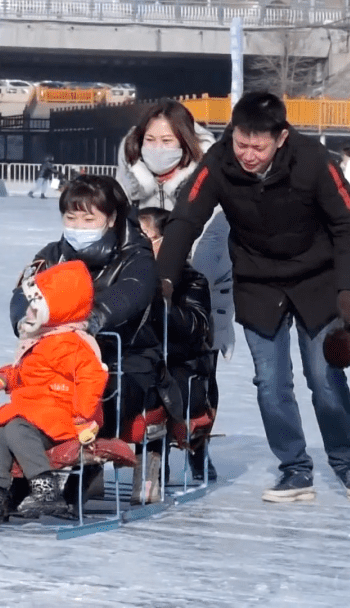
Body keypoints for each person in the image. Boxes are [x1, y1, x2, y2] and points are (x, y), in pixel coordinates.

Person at [156, 91, 350, 504]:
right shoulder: (220, 161)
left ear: (281, 137)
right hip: (259, 282)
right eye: (241, 143)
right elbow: (187, 215)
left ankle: (347, 462)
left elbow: (347, 223)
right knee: (271, 384)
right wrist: (164, 277)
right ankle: (294, 469)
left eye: (258, 146)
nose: (248, 154)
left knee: (325, 379)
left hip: (317, 279)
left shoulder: (314, 161)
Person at [9, 175, 162, 504]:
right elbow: (24, 293)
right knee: (29, 394)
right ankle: (20, 480)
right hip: (61, 361)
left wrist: (91, 320)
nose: (78, 225)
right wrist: (26, 319)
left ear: (110, 219)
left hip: (125, 362)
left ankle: (76, 479)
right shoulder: (52, 255)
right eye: (71, 217)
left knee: (92, 396)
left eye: (89, 218)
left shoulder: (136, 257)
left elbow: (131, 293)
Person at [115, 99, 236, 425]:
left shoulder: (210, 176)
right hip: (141, 287)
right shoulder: (129, 177)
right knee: (140, 366)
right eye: (150, 140)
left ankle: (199, 443)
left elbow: (219, 241)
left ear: (185, 142)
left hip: (197, 286)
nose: (157, 148)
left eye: (167, 141)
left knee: (198, 370)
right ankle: (152, 446)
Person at [0, 260, 109, 525]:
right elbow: (26, 373)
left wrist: (82, 416)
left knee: (17, 428)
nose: (27, 312)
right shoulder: (40, 339)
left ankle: (45, 489)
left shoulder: (72, 344)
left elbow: (92, 378)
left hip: (62, 415)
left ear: (57, 310)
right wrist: (3, 379)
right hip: (34, 411)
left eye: (34, 306)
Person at [138, 206, 217, 481]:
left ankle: (178, 455)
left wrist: (162, 303)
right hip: (141, 360)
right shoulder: (130, 277)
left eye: (145, 237)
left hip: (180, 363)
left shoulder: (193, 281)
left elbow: (195, 328)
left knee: (158, 390)